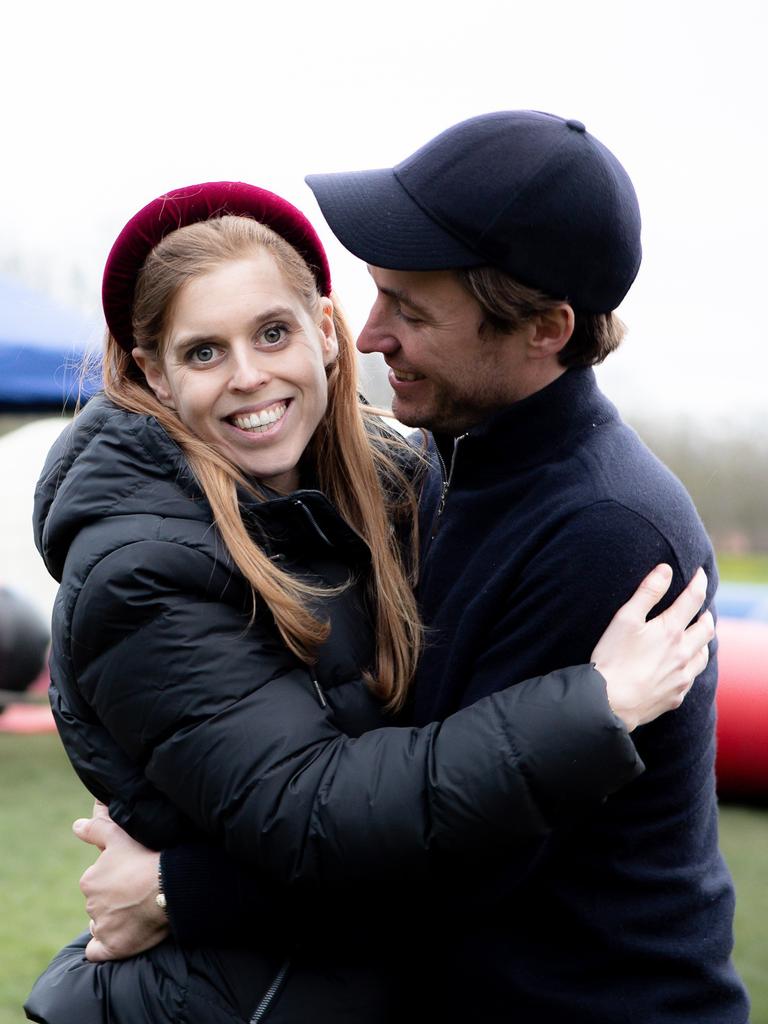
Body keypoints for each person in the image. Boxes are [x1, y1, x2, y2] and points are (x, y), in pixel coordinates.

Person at [65, 113, 748, 1023]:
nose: (373, 332)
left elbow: (458, 865)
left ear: (544, 327)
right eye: (376, 297)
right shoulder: (444, 467)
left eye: (411, 311)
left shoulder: (600, 531)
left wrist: (176, 890)